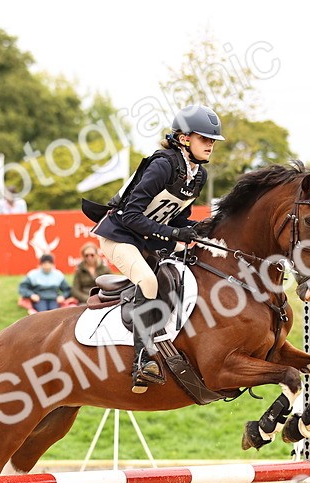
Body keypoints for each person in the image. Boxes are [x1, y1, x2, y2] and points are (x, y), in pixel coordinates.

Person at [92, 104, 221, 391]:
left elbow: (172, 214)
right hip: (119, 235)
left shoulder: (198, 175)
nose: (210, 145)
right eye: (205, 139)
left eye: (213, 141)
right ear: (184, 138)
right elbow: (132, 215)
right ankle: (142, 360)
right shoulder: (163, 164)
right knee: (148, 280)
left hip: (147, 239)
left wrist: (199, 227)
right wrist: (176, 232)